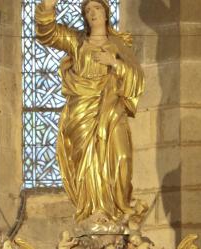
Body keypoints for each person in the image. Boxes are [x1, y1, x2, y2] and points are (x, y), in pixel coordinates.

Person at [35, 0, 145, 223]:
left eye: (96, 8)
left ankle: (119, 207)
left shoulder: (120, 44)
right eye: (87, 10)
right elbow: (49, 34)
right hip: (82, 108)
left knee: (122, 156)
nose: (92, 13)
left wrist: (114, 62)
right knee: (89, 162)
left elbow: (137, 77)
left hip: (112, 106)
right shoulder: (77, 41)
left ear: (106, 13)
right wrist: (47, 7)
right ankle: (94, 210)